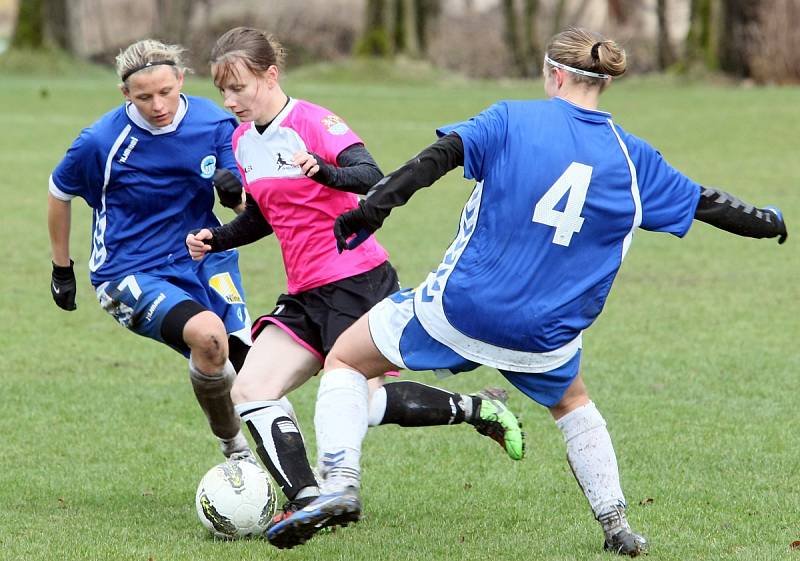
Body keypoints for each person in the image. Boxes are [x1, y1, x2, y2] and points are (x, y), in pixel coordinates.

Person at [265, 27, 789, 554]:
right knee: (574, 404)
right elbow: (709, 204)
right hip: (546, 332)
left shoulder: (510, 118)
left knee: (347, 361)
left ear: (555, 74)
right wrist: (769, 222)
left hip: (462, 308)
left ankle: (338, 486)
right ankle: (617, 527)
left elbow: (434, 160)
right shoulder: (635, 159)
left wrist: (369, 209)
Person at [185, 26, 526, 531]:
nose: (231, 100)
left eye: (240, 87)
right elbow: (263, 217)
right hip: (304, 291)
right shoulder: (243, 141)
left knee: (355, 402)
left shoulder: (314, 121)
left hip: (357, 279)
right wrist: (217, 238)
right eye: (224, 91)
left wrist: (322, 171)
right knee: (252, 387)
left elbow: (370, 175)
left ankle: (475, 408)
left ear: (270, 74)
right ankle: (307, 499)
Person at [48, 39, 258, 462]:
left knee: (251, 369)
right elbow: (59, 193)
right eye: (144, 96)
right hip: (129, 270)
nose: (157, 104)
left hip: (205, 256)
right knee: (209, 337)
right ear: (126, 94)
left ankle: (298, 477)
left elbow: (246, 208)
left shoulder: (213, 124)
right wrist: (61, 268)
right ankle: (236, 452)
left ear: (181, 79)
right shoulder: (99, 142)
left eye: (166, 91)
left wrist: (235, 197)